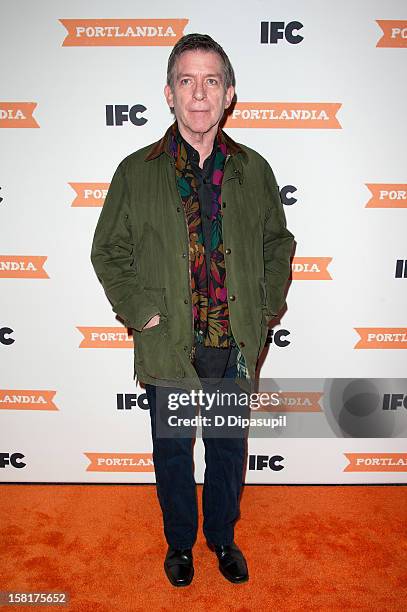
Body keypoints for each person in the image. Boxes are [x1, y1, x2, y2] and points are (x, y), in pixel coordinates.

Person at [91, 33, 294, 587]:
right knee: (174, 454)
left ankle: (222, 537)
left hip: (234, 342)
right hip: (170, 342)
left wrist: (266, 303)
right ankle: (180, 543)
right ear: (168, 93)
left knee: (229, 451)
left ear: (229, 93)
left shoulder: (254, 169)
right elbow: (108, 250)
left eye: (211, 81)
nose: (198, 94)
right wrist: (140, 310)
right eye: (187, 81)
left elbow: (279, 243)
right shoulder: (136, 171)